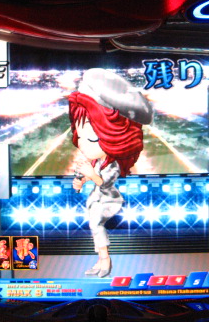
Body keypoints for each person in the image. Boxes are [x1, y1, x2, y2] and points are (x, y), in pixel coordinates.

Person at [69, 68, 152, 278]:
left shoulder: (112, 164)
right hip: (96, 198)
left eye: (92, 138)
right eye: (80, 136)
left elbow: (104, 183)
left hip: (109, 199)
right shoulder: (98, 160)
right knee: (93, 225)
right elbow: (92, 175)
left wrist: (91, 175)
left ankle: (105, 260)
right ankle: (100, 260)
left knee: (96, 224)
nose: (83, 144)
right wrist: (82, 180)